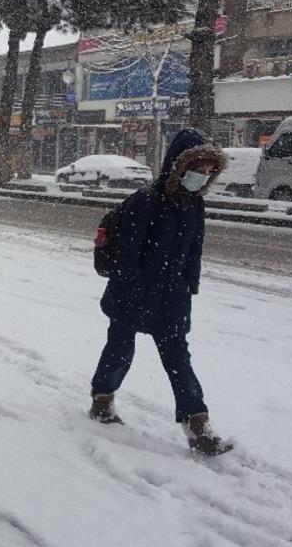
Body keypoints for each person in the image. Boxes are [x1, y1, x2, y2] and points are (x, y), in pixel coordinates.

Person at [88, 128, 231, 456]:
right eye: (198, 167)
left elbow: (194, 251)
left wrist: (189, 287)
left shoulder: (195, 204)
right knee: (120, 351)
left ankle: (198, 427)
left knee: (179, 360)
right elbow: (127, 255)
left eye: (209, 169)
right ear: (180, 165)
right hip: (133, 293)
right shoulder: (146, 201)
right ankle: (102, 400)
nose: (204, 174)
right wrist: (136, 290)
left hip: (172, 297)